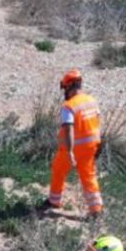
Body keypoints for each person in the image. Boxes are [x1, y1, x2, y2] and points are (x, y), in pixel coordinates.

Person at [46, 69, 104, 218]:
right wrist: (99, 143)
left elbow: (68, 129)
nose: (64, 91)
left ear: (70, 86)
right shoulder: (91, 100)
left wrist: (70, 151)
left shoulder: (69, 106)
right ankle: (96, 209)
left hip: (72, 148)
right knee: (88, 175)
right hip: (91, 146)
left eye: (65, 87)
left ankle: (54, 201)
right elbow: (97, 122)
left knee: (58, 169)